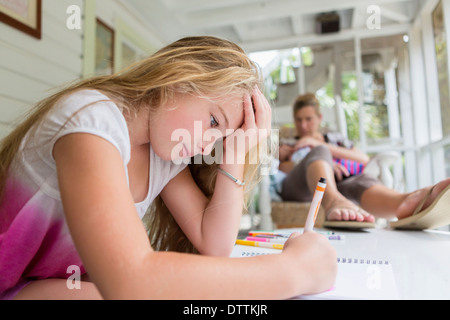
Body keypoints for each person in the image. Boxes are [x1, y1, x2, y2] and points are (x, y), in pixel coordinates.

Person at [0, 37, 337, 300]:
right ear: (179, 75)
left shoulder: (165, 159)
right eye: (213, 121)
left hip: (44, 286)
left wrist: (235, 150)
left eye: (218, 138)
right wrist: (294, 270)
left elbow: (215, 245)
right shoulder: (91, 122)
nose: (207, 147)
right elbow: (131, 281)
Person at [277, 93, 450, 226]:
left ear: (319, 118)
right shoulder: (288, 144)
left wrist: (321, 147)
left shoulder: (334, 139)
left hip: (342, 183)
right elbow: (277, 168)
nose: (304, 125)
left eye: (308, 119)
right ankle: (333, 202)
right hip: (300, 187)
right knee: (320, 151)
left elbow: (362, 158)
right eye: (299, 120)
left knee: (363, 179)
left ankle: (403, 202)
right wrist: (319, 159)